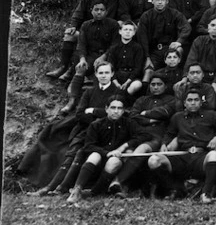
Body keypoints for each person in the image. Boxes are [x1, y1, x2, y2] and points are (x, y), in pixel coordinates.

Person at [21, 62, 122, 196]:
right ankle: (50, 188)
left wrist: (93, 111)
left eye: (107, 73)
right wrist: (96, 117)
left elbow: (117, 114)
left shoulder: (117, 92)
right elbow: (80, 114)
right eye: (101, 73)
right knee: (71, 154)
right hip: (85, 129)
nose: (104, 76)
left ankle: (62, 187)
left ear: (112, 74)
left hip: (106, 132)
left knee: (82, 153)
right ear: (96, 75)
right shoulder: (89, 91)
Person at [66, 96, 150, 203]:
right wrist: (107, 153)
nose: (116, 111)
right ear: (106, 109)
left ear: (123, 110)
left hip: (115, 163)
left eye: (119, 108)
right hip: (98, 160)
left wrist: (125, 145)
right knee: (94, 155)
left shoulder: (129, 123)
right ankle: (77, 190)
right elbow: (88, 146)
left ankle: (94, 192)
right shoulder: (96, 124)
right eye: (113, 108)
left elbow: (145, 135)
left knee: (113, 161)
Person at [109, 72, 177, 198]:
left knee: (143, 149)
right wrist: (151, 120)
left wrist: (144, 113)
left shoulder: (171, 100)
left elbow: (165, 112)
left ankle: (118, 181)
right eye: (153, 84)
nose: (155, 87)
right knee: (129, 152)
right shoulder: (142, 99)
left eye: (159, 84)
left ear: (165, 86)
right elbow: (133, 115)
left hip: (157, 136)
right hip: (139, 134)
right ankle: (124, 188)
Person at [148, 88, 216, 203]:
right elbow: (170, 133)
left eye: (196, 100)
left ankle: (205, 193)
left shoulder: (212, 115)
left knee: (214, 155)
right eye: (190, 100)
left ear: (201, 102)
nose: (193, 103)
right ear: (184, 103)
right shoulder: (177, 117)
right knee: (153, 160)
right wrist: (164, 144)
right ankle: (176, 189)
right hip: (183, 156)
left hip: (202, 156)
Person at [46, 0, 118, 80]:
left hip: (104, 30)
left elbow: (110, 15)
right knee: (70, 35)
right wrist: (73, 25)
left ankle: (73, 71)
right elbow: (78, 13)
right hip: (86, 28)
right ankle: (64, 67)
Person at [60, 0, 120, 113]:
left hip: (108, 56)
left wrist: (104, 57)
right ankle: (71, 101)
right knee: (81, 68)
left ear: (106, 12)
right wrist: (82, 59)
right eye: (96, 9)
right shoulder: (86, 25)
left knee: (103, 70)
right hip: (91, 56)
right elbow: (81, 44)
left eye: (102, 10)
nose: (99, 12)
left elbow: (115, 44)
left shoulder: (113, 24)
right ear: (91, 11)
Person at [137, 0, 191, 71]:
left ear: (167, 1)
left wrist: (179, 41)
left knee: (179, 49)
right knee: (148, 71)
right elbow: (142, 38)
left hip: (170, 49)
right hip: (153, 51)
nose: (160, 2)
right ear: (152, 1)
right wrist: (147, 57)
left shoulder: (174, 14)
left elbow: (186, 27)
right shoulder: (146, 16)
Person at [185, 16, 216, 93]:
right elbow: (191, 60)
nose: (214, 28)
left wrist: (215, 83)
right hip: (199, 76)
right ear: (208, 26)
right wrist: (185, 77)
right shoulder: (199, 40)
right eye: (212, 25)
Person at [102, 21, 144, 98]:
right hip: (117, 75)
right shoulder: (114, 48)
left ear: (134, 33)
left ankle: (123, 100)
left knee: (137, 85)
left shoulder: (137, 48)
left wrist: (128, 82)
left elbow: (138, 68)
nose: (128, 32)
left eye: (130, 30)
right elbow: (111, 67)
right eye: (125, 29)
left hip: (131, 76)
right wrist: (115, 82)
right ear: (120, 31)